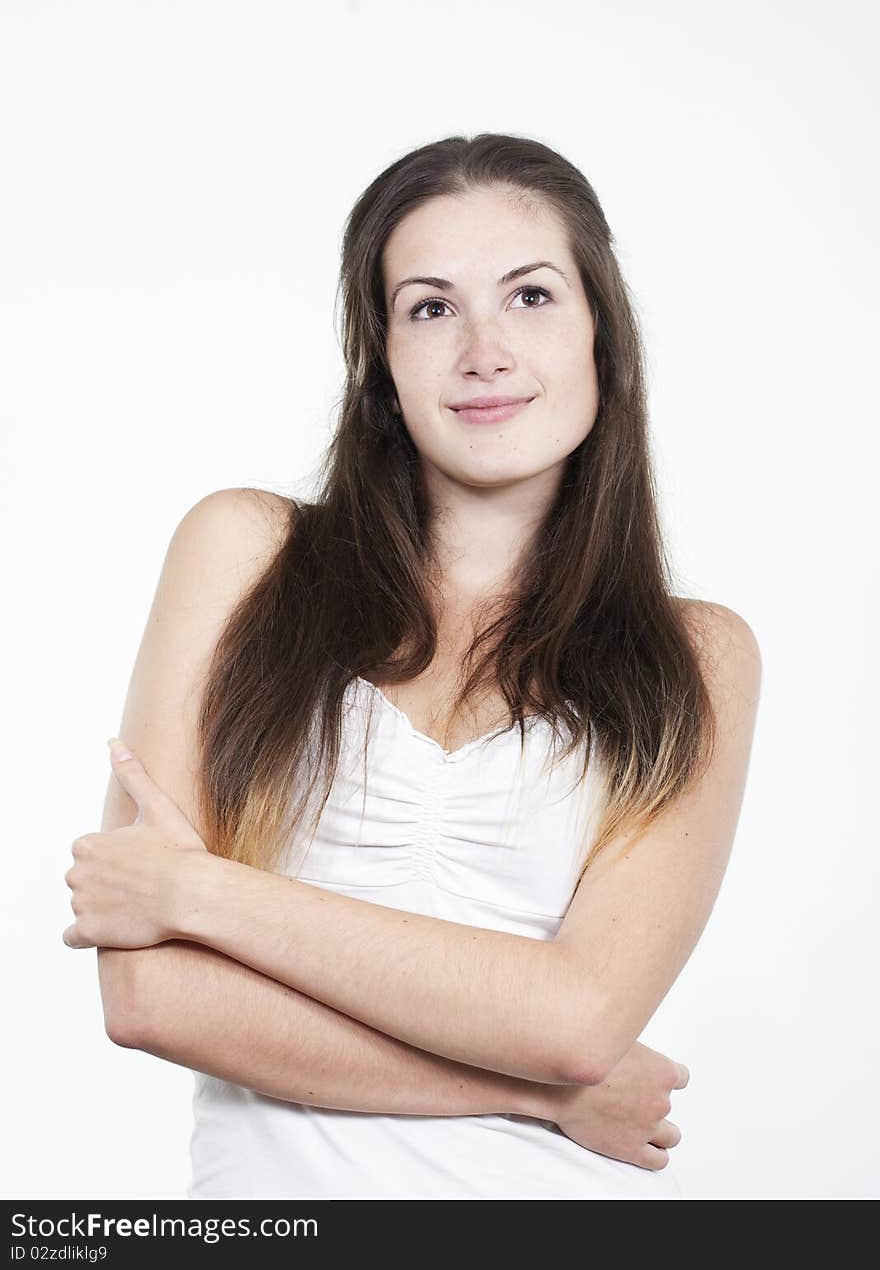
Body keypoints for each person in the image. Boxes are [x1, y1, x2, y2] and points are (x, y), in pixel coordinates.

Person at [67, 132, 761, 1200]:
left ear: (602, 340)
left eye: (530, 297)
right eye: (431, 308)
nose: (483, 350)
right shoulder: (243, 553)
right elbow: (152, 999)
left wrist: (197, 892)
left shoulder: (699, 656)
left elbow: (578, 1022)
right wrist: (535, 1090)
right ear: (382, 361)